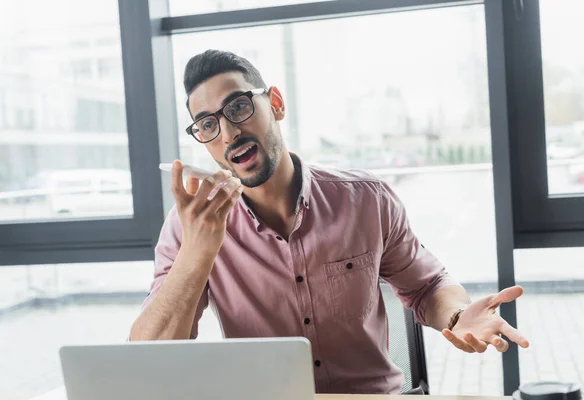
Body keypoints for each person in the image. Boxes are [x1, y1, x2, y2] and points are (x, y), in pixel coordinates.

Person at [129, 49, 530, 394]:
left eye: (238, 107)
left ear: (277, 104)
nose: (229, 132)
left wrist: (459, 316)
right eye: (208, 124)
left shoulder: (366, 201)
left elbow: (427, 286)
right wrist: (197, 250)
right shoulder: (192, 224)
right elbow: (147, 360)